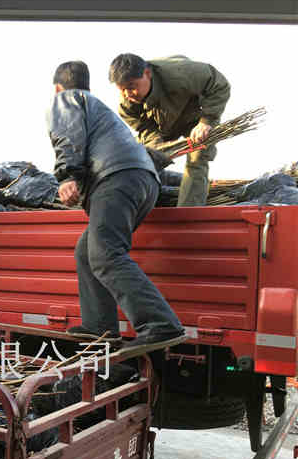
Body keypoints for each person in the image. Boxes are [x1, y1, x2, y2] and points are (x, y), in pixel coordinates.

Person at [46, 61, 186, 351]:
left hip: (117, 179)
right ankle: (100, 326)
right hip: (142, 182)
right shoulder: (100, 111)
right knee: (87, 252)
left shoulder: (68, 99)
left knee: (105, 253)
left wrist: (67, 176)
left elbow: (68, 136)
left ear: (58, 87)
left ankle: (160, 324)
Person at [108, 54, 231, 207]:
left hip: (193, 117)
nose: (128, 94)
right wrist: (156, 146)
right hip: (160, 124)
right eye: (122, 90)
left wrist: (206, 121)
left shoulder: (181, 73)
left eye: (131, 87)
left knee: (198, 156)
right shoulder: (127, 106)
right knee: (145, 158)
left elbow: (219, 84)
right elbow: (145, 127)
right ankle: (140, 205)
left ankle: (189, 212)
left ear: (147, 73)